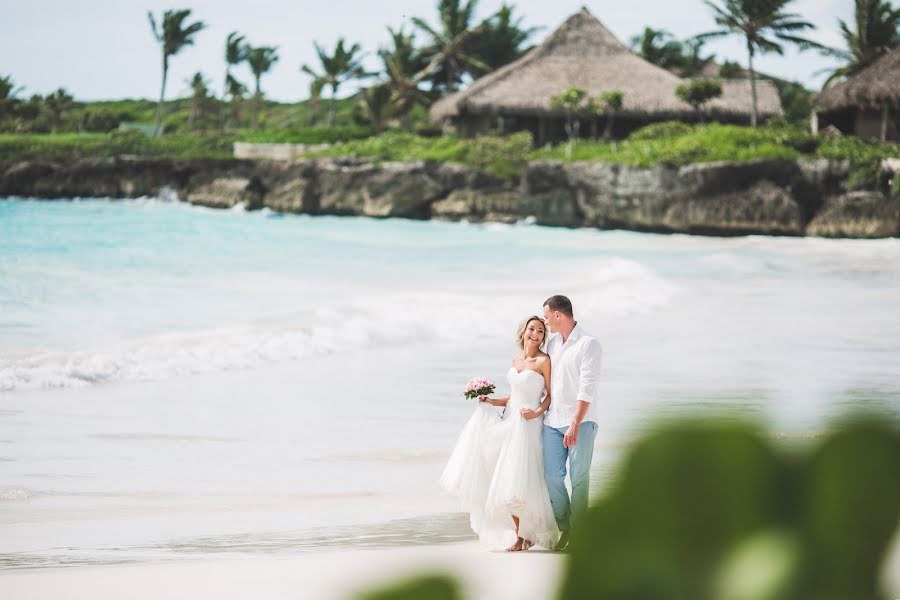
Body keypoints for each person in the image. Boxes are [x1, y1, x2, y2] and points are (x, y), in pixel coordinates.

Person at [440, 316, 560, 551]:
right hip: (511, 420)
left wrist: (535, 414)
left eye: (540, 331)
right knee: (506, 478)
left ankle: (527, 535)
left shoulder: (544, 361)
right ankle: (520, 535)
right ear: (524, 331)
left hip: (529, 424)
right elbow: (514, 397)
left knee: (525, 479)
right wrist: (491, 401)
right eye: (532, 329)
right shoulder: (516, 360)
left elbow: (550, 396)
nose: (535, 334)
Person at [542, 295, 602, 551]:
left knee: (579, 479)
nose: (545, 322)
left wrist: (576, 423)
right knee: (553, 476)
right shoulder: (553, 345)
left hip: (581, 422)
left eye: (546, 317)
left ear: (558, 315)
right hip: (552, 421)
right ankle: (565, 527)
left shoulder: (589, 344)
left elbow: (586, 388)